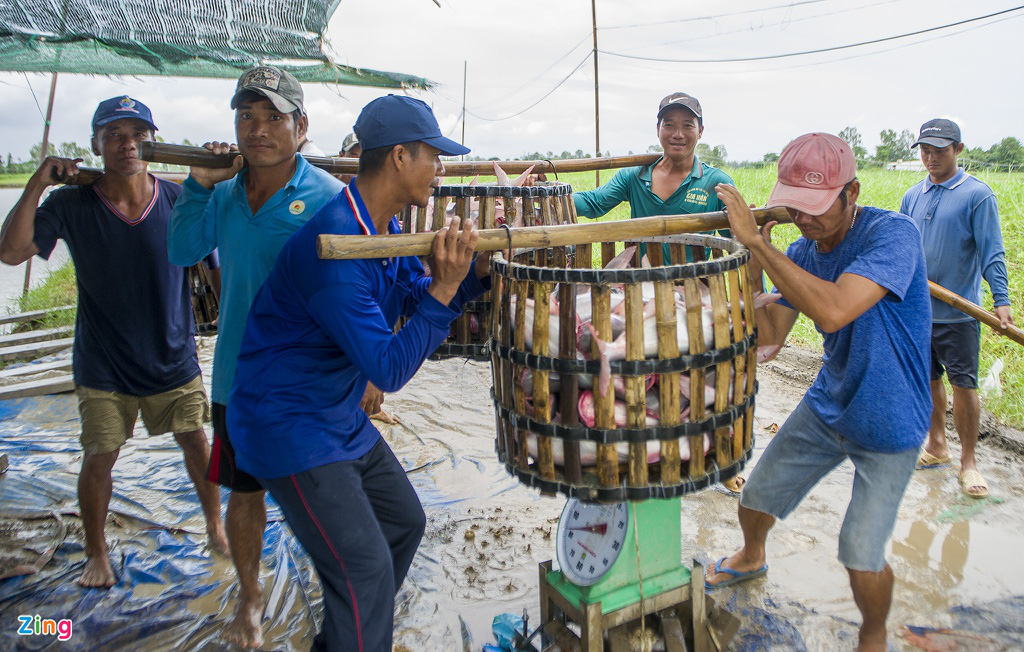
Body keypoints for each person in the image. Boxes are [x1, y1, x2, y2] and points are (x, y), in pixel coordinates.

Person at [226, 94, 487, 651]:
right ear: (399, 157)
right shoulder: (336, 249)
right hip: (289, 423)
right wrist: (445, 289)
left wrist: (471, 277)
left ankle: (349, 637)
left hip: (332, 414)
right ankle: (360, 631)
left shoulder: (380, 227)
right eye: (433, 156)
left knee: (403, 523)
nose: (440, 169)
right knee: (366, 569)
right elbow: (389, 368)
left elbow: (413, 293)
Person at [704, 133, 932, 652]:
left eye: (817, 208)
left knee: (859, 551)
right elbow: (771, 337)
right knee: (758, 495)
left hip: (890, 419)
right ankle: (751, 554)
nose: (805, 220)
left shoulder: (892, 235)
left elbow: (832, 310)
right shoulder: (803, 250)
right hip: (831, 401)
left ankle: (873, 634)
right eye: (797, 209)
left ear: (852, 193)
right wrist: (749, 255)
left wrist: (762, 244)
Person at [0, 96, 227, 588]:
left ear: (153, 140)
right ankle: (96, 552)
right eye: (115, 135)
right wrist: (39, 182)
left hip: (173, 355)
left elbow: (217, 274)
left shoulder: (177, 199)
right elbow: (12, 252)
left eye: (138, 134)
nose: (128, 144)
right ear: (96, 145)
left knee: (195, 441)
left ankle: (215, 525)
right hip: (104, 363)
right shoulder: (71, 203)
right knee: (100, 456)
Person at [167, 66, 344, 648]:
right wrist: (196, 184)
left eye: (273, 117)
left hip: (306, 383)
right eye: (247, 117)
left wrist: (366, 375)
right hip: (237, 378)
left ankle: (342, 595)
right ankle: (249, 596)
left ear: (302, 126)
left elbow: (358, 293)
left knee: (323, 495)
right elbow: (183, 248)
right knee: (244, 493)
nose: (258, 129)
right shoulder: (219, 195)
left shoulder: (327, 197)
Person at [900, 118, 1013, 499]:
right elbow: (902, 247)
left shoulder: (977, 195)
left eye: (939, 150)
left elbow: (992, 252)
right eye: (925, 150)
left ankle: (968, 462)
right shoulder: (913, 195)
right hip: (919, 309)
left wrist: (1002, 301)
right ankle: (936, 445)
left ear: (958, 150)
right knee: (928, 379)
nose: (930, 158)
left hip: (959, 313)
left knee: (964, 384)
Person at [572, 92, 733, 253]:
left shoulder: (717, 184)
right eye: (669, 125)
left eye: (688, 125)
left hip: (694, 278)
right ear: (658, 129)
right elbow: (593, 202)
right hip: (643, 277)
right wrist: (552, 198)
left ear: (700, 131)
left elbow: (737, 238)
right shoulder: (634, 176)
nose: (678, 134)